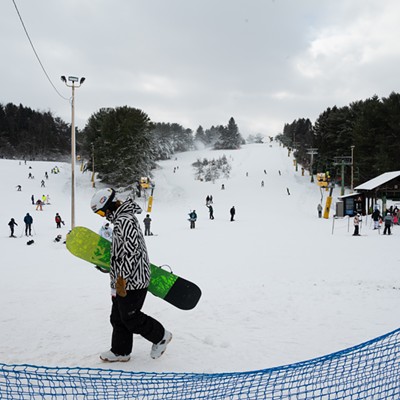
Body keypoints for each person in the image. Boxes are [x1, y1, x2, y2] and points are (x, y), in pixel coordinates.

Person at [91, 188, 171, 363]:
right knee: (118, 317)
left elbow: (130, 254)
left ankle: (161, 336)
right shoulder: (121, 220)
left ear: (109, 206)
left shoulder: (125, 221)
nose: (102, 216)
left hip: (133, 281)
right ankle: (121, 351)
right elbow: (120, 253)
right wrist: (110, 269)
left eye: (101, 212)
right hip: (123, 280)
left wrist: (122, 279)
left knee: (131, 317)